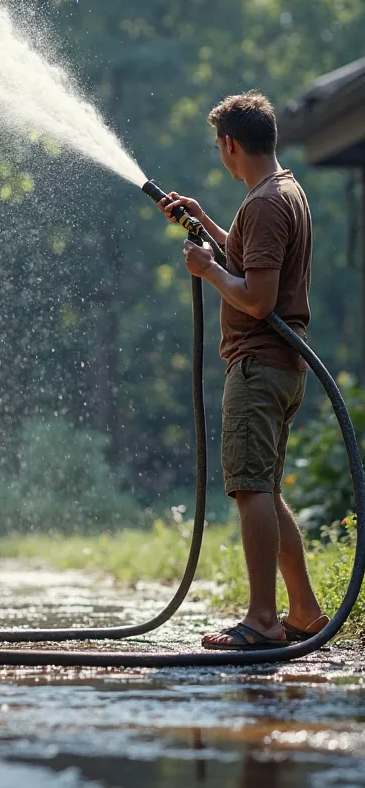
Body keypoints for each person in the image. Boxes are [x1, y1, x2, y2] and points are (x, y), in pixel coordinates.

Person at [159, 90, 328, 651]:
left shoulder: (262, 203)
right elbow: (253, 261)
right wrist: (205, 221)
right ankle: (303, 611)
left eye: (218, 145)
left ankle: (262, 619)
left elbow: (257, 298)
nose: (219, 154)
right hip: (281, 367)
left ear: (231, 143)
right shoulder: (285, 193)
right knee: (267, 490)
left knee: (251, 488)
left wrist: (207, 271)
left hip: (259, 365)